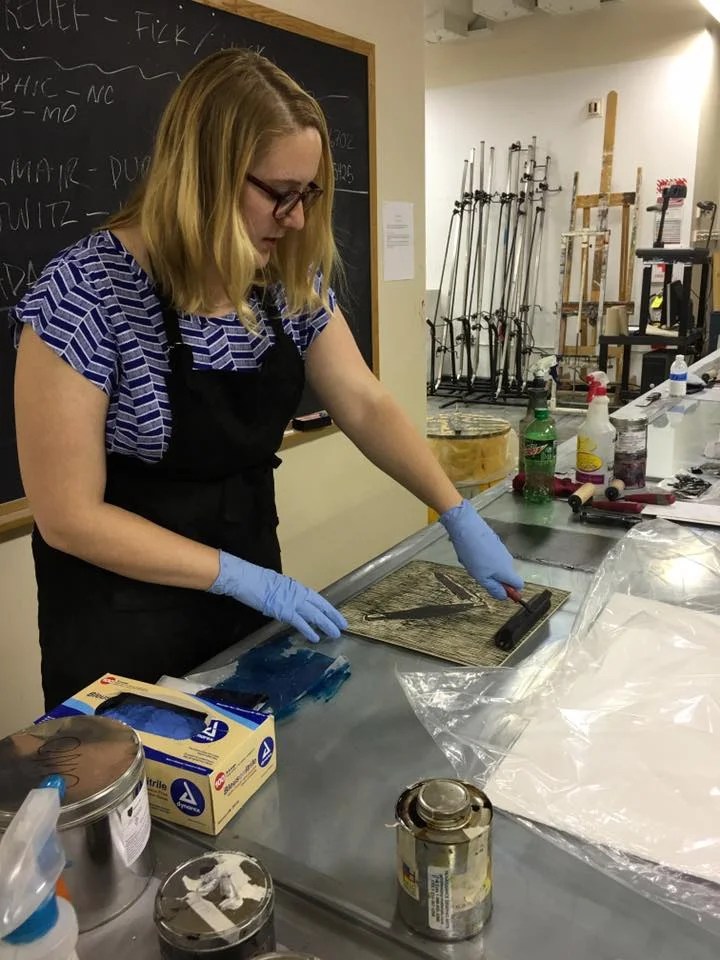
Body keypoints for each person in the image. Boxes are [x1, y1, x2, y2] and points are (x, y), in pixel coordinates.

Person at [12, 50, 522, 711]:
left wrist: (454, 511)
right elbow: (68, 517)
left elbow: (363, 401)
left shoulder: (284, 282)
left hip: (246, 605)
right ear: (203, 177)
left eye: (307, 194)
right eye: (280, 194)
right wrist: (236, 576)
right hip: (120, 626)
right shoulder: (84, 294)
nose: (298, 218)